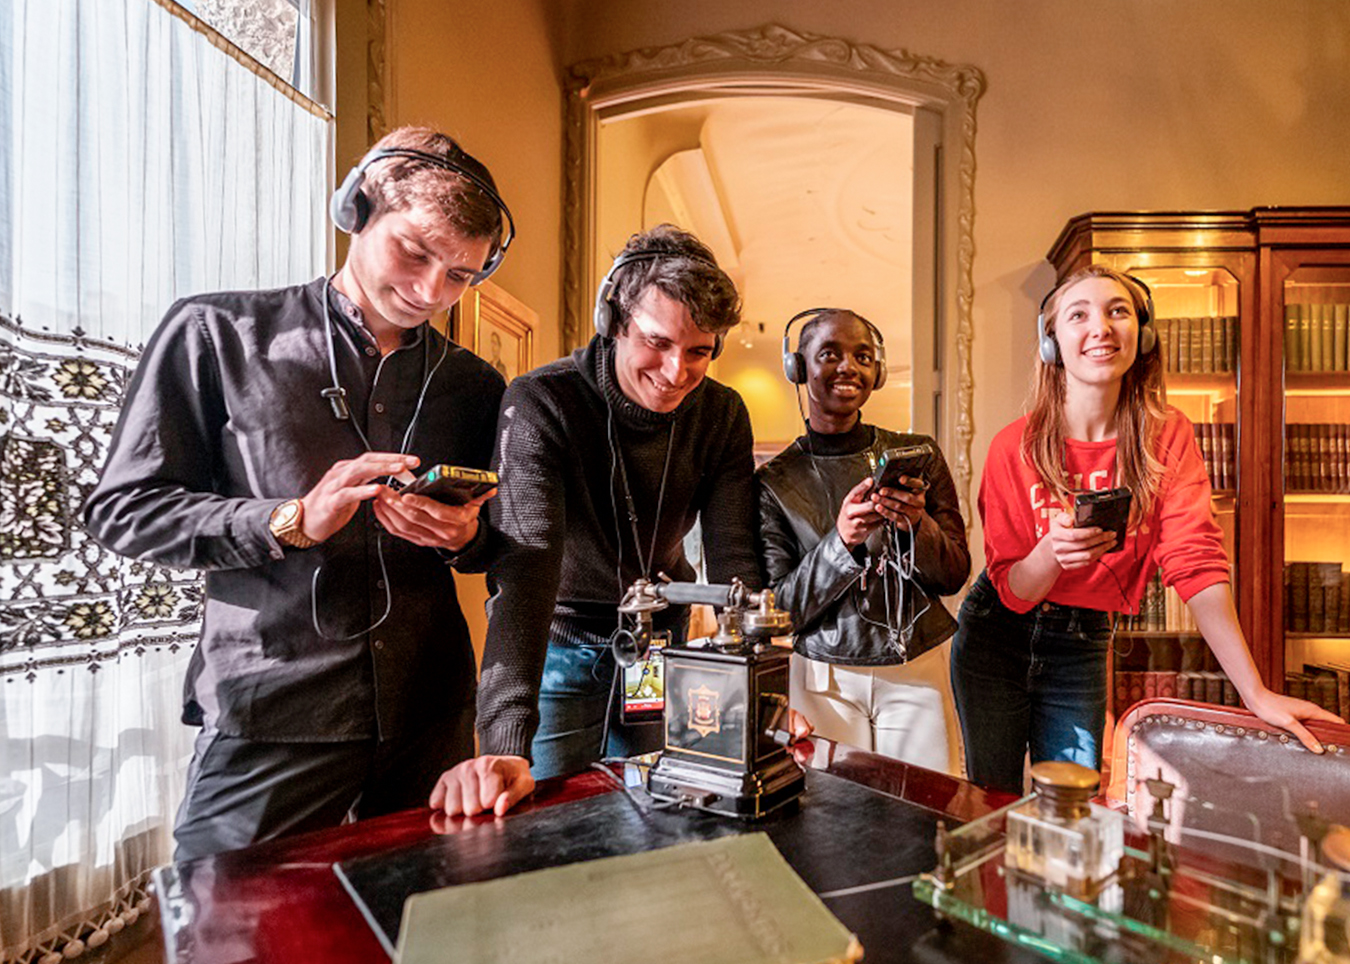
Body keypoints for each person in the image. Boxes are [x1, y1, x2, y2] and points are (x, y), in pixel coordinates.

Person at [83, 127, 514, 861]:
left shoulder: (475, 386)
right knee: (231, 958)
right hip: (272, 713)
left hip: (430, 718)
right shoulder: (215, 334)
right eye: (414, 254)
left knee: (420, 951)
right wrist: (291, 519)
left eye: (460, 277)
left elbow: (496, 548)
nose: (429, 293)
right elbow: (122, 509)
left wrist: (463, 538)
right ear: (357, 209)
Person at [431, 224, 784, 817]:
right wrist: (505, 743)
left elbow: (735, 563)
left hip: (661, 649)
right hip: (558, 648)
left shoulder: (721, 413)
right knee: (545, 829)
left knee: (651, 821)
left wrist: (760, 694)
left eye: (699, 350)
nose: (676, 371)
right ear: (614, 320)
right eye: (657, 341)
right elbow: (524, 576)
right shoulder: (542, 402)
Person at [950, 264, 1339, 794]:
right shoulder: (1011, 446)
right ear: (1052, 343)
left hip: (1083, 640)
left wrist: (1254, 691)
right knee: (990, 797)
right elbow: (1014, 593)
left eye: (1118, 312)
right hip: (997, 635)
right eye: (1078, 314)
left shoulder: (1167, 437)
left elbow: (1196, 563)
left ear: (1143, 334)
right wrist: (1051, 553)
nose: (1101, 328)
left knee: (1073, 801)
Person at [757, 309, 970, 772]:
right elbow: (779, 609)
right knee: (832, 818)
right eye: (829, 354)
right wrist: (843, 541)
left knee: (925, 811)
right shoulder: (774, 481)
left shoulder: (921, 456)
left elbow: (953, 574)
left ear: (878, 372)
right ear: (799, 368)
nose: (848, 366)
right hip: (823, 677)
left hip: (917, 665)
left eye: (863, 356)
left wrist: (917, 526)